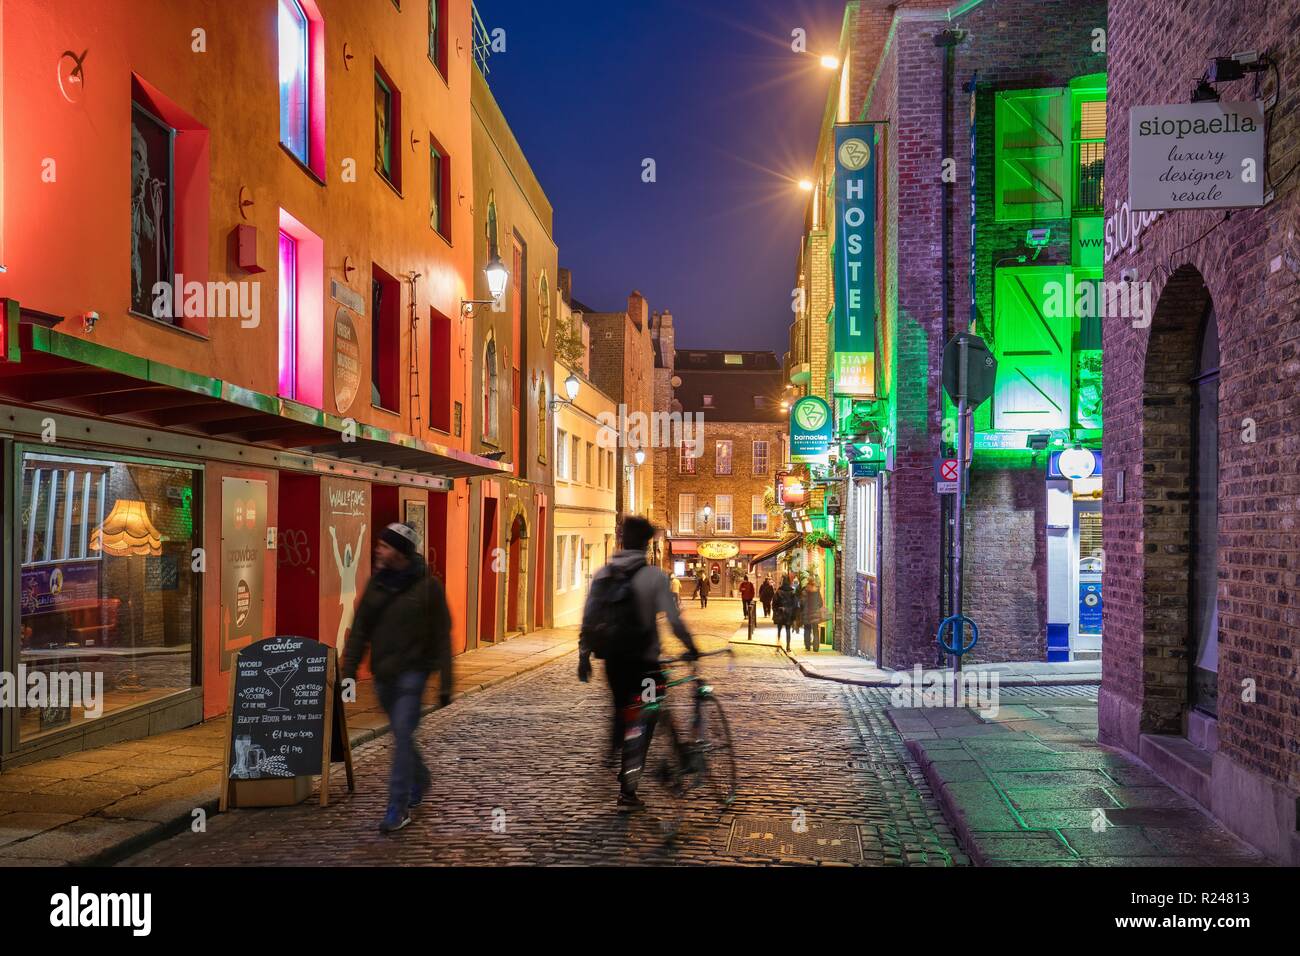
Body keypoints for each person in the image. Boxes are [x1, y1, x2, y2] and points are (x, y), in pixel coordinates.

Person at [578, 517, 700, 812]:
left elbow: (589, 618)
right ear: (647, 545)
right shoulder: (654, 577)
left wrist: (583, 655)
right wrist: (692, 648)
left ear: (622, 541)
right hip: (645, 666)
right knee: (651, 713)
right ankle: (629, 787)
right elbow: (674, 622)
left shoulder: (604, 574)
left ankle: (618, 741)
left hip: (614, 664)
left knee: (625, 711)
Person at [342, 522, 452, 834]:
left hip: (413, 676)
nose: (379, 550)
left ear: (401, 553)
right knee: (402, 736)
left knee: (402, 736)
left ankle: (397, 808)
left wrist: (446, 683)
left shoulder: (428, 588)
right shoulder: (377, 585)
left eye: (385, 546)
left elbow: (442, 637)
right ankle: (420, 776)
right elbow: (360, 629)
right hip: (384, 676)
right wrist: (348, 673)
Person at [773, 574, 798, 652]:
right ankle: (788, 647)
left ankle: (778, 645)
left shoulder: (778, 592)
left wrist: (776, 611)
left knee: (779, 630)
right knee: (788, 630)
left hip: (781, 612)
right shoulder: (792, 592)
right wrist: (794, 616)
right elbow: (795, 605)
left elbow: (774, 603)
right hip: (789, 613)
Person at [802, 575, 825, 652]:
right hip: (815, 613)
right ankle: (816, 647)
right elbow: (821, 603)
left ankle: (807, 646)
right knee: (815, 630)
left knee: (807, 629)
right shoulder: (817, 591)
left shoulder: (804, 591)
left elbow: (802, 602)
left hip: (807, 613)